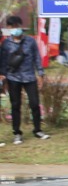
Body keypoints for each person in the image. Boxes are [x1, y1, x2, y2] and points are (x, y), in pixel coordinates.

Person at [1, 16, 49, 144]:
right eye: (12, 26)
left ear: (21, 26)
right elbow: (4, 61)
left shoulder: (30, 41)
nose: (15, 29)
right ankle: (17, 133)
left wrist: (40, 73)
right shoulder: (6, 43)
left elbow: (37, 57)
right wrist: (3, 76)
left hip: (29, 77)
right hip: (13, 78)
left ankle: (38, 130)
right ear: (9, 28)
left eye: (17, 25)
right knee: (15, 105)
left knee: (34, 104)